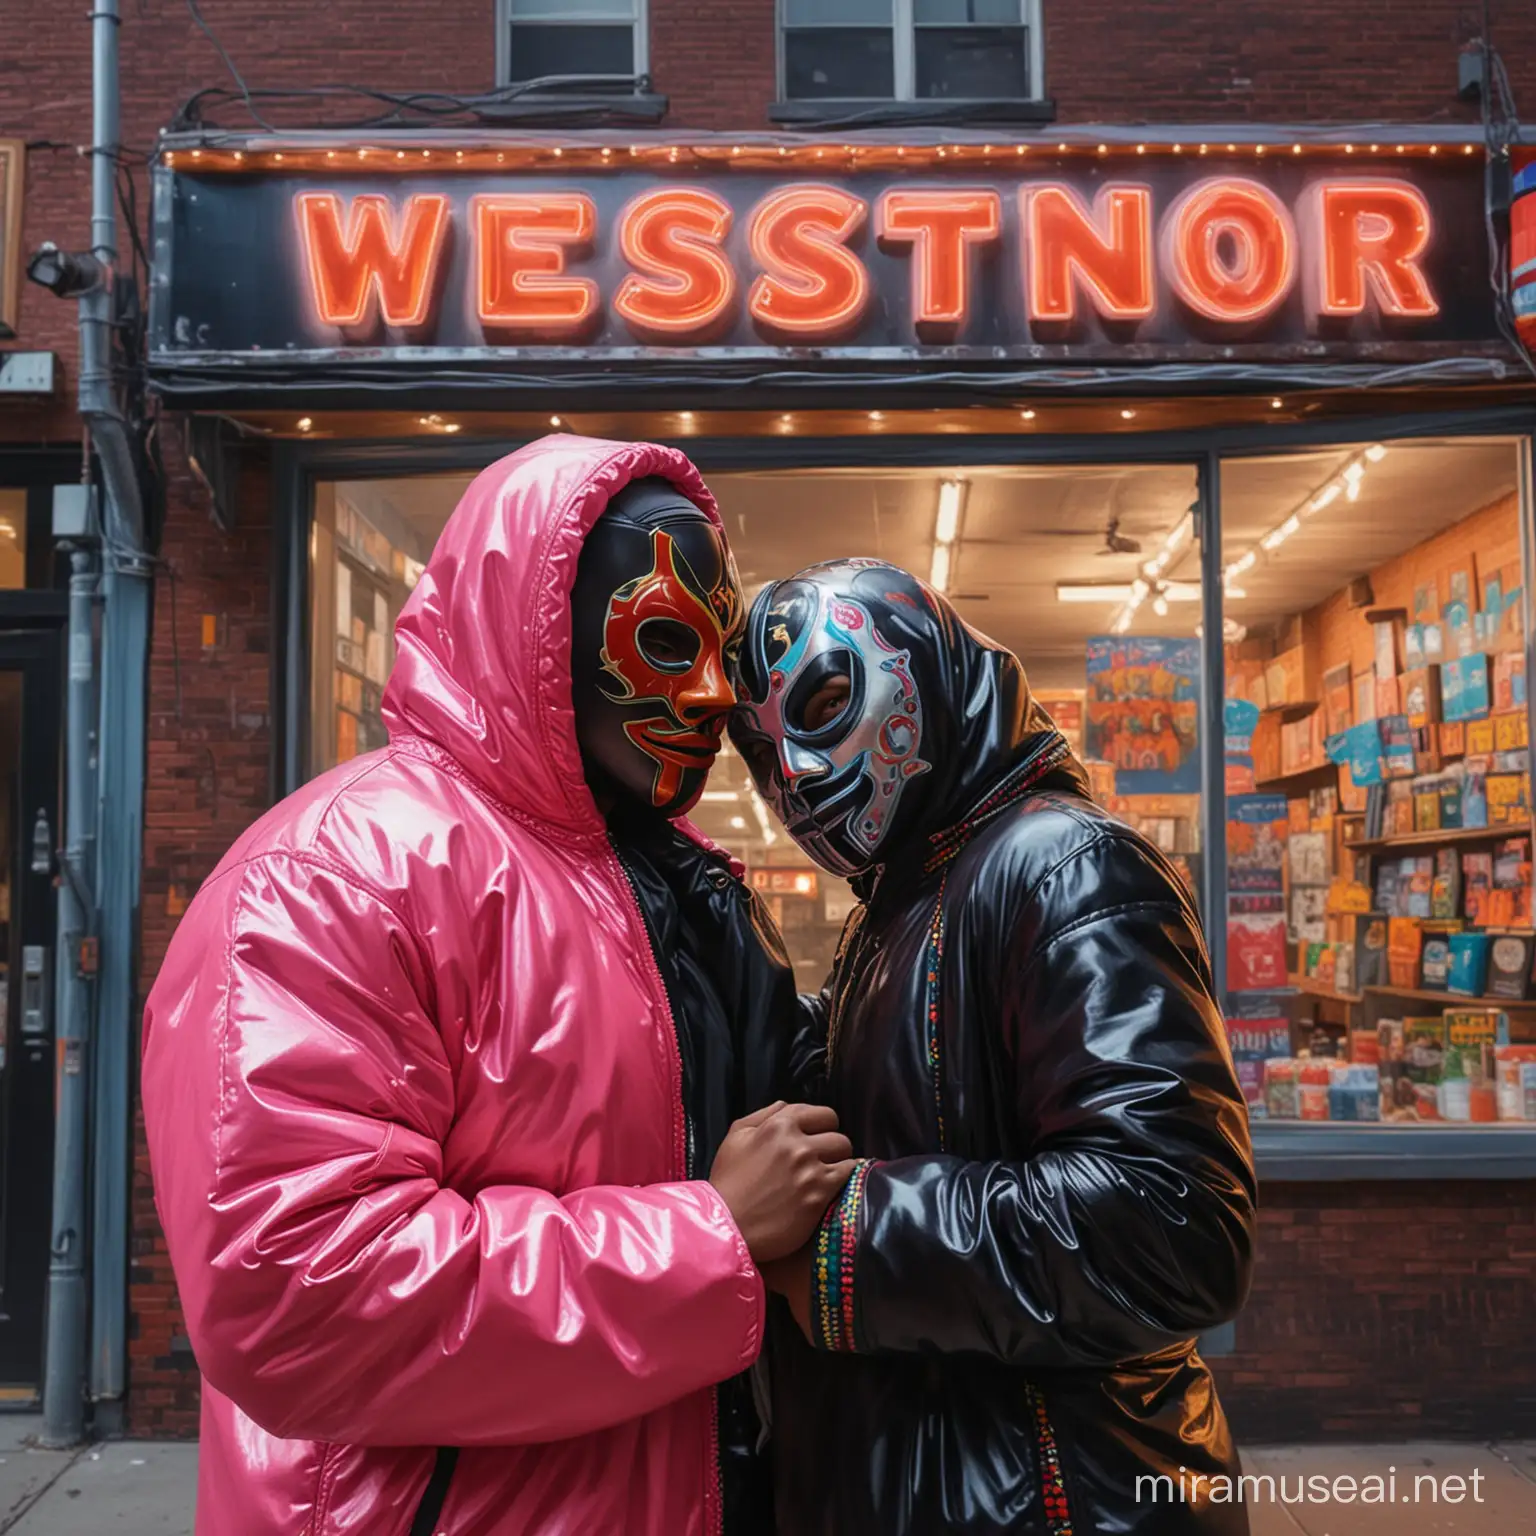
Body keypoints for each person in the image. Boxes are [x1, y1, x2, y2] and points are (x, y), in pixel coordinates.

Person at [142, 437, 844, 1536]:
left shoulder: (677, 886)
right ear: (537, 631)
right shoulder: (338, 879)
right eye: (664, 642)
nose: (710, 697)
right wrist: (710, 1236)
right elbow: (296, 1296)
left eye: (723, 655)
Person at [729, 558, 1258, 1536]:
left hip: (1059, 1498)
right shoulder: (906, 900)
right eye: (759, 757)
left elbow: (1175, 1226)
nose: (794, 777)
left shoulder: (1063, 865)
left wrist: (848, 1247)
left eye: (828, 700)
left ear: (923, 673)